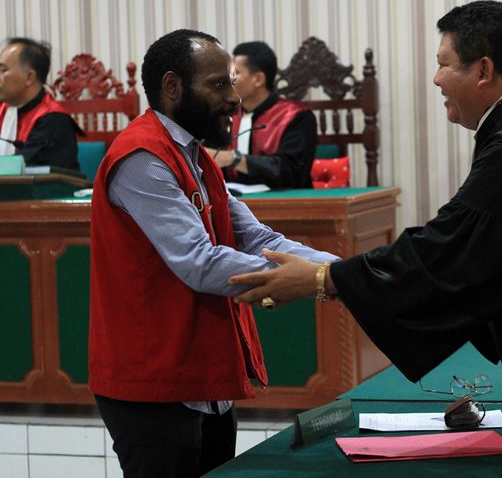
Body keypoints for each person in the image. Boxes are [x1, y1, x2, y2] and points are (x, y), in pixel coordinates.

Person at [228, 1, 502, 477]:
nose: (435, 79)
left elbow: (447, 251)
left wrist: (323, 279)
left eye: (442, 63)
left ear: (483, 70)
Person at [88, 29, 336, 478]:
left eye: (233, 83)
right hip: (155, 382)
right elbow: (199, 262)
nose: (234, 98)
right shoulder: (142, 157)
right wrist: (315, 280)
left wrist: (344, 272)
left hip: (202, 373)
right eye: (219, 84)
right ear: (172, 87)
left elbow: (259, 238)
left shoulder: (195, 156)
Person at [204, 41, 317, 189]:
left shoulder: (298, 117)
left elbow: (291, 173)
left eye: (235, 73)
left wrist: (233, 158)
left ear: (258, 79)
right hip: (233, 205)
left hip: (286, 205)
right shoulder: (224, 116)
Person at [0, 37, 80, 169]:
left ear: (29, 77)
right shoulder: (3, 109)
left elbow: (23, 168)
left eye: (3, 70)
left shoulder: (53, 119)